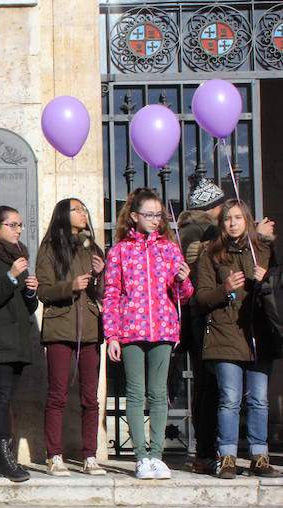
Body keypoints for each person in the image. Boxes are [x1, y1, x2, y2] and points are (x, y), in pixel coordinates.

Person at [103, 187, 192, 480]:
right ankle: (141, 457)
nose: (155, 220)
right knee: (135, 393)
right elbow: (111, 294)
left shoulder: (169, 248)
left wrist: (183, 279)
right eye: (149, 215)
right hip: (130, 330)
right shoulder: (119, 251)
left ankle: (157, 455)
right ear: (134, 216)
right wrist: (112, 335)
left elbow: (183, 294)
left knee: (158, 394)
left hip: (163, 328)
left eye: (158, 215)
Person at [193, 200, 280, 479]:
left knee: (259, 400)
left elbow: (278, 286)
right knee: (229, 398)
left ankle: (259, 456)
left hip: (257, 335)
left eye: (239, 218)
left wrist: (266, 279)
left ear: (247, 221)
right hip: (225, 335)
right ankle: (227, 456)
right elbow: (202, 297)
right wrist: (225, 288)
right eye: (228, 218)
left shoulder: (264, 250)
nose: (232, 223)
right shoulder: (211, 254)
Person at [35, 199, 106, 476]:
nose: (83, 213)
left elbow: (103, 294)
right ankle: (53, 454)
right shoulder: (50, 248)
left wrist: (100, 276)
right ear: (64, 215)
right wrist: (71, 286)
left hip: (90, 329)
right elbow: (43, 291)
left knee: (91, 398)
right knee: (57, 395)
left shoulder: (94, 250)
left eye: (84, 209)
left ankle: (90, 455)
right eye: (77, 210)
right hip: (60, 329)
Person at [0, 205, 39, 482]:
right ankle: (3, 457)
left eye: (20, 225)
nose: (17, 230)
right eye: (12, 225)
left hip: (18, 340)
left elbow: (27, 307)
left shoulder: (19, 255)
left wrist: (30, 291)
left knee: (7, 398)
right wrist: (12, 276)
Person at [176, 178, 226, 474]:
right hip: (205, 316)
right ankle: (207, 451)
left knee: (204, 386)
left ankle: (205, 450)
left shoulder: (184, 230)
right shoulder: (205, 232)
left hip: (191, 316)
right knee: (210, 387)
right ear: (214, 208)